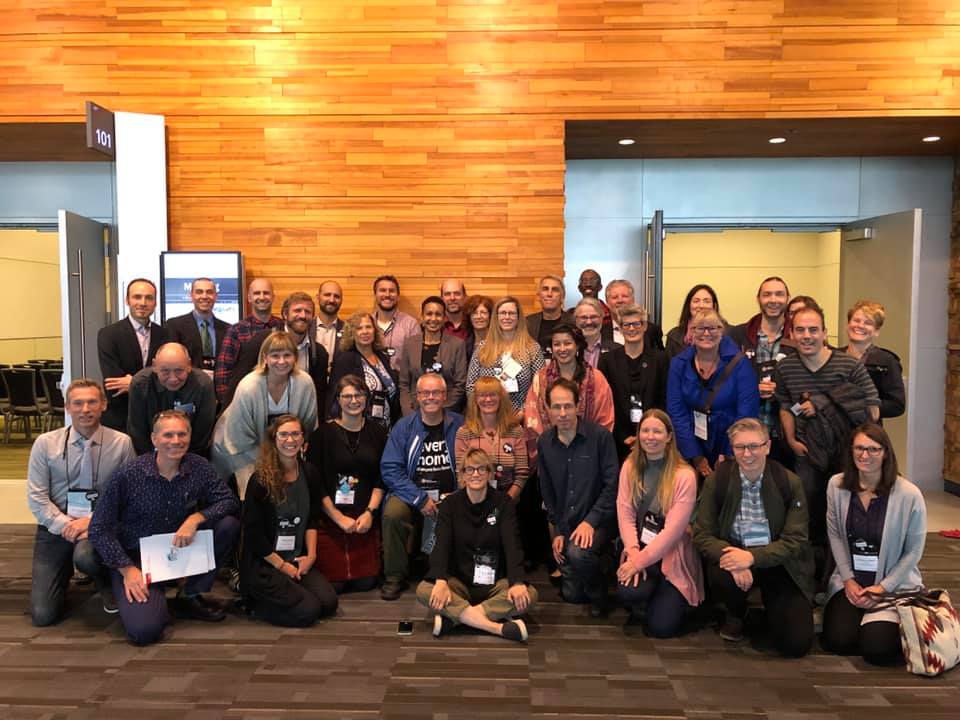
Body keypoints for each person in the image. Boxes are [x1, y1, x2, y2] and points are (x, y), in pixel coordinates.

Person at [89, 410, 240, 645]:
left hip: (178, 548)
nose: (176, 441)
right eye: (168, 435)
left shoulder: (198, 466)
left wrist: (196, 518)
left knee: (228, 525)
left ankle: (189, 593)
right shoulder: (129, 474)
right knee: (144, 631)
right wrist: (127, 569)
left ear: (190, 436)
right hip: (137, 557)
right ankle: (134, 590)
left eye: (182, 434)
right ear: (154, 439)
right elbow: (98, 528)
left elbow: (228, 501)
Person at [693, 418, 815, 656]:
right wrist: (733, 557)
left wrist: (751, 558)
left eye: (754, 446)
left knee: (795, 644)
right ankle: (735, 613)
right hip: (734, 555)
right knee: (723, 577)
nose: (747, 454)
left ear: (767, 447)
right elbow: (702, 534)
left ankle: (770, 612)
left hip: (780, 562)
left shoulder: (789, 482)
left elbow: (795, 540)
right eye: (740, 447)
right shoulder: (718, 480)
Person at [27, 379, 136, 625]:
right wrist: (67, 525)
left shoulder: (121, 443)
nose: (85, 409)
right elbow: (37, 497)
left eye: (92, 402)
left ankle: (102, 578)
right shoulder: (45, 444)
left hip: (99, 524)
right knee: (43, 616)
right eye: (77, 403)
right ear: (67, 407)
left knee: (86, 557)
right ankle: (62, 568)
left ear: (103, 405)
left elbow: (128, 495)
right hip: (55, 527)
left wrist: (91, 522)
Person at [774, 305, 880, 547]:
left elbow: (872, 411)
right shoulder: (785, 368)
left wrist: (825, 404)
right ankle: (814, 559)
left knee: (847, 509)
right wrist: (792, 441)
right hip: (808, 451)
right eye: (800, 330)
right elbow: (785, 406)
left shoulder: (849, 365)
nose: (807, 336)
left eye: (813, 330)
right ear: (791, 334)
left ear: (825, 333)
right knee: (808, 507)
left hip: (846, 451)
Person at [822, 423, 925, 666]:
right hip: (851, 582)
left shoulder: (909, 495)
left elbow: (913, 551)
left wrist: (882, 588)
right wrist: (848, 579)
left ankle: (887, 627)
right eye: (859, 448)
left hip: (892, 586)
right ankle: (866, 622)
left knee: (876, 650)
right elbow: (835, 535)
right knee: (839, 642)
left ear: (885, 452)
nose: (864, 455)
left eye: (873, 449)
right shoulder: (837, 486)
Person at [416, 448, 537, 642]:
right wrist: (440, 580)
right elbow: (441, 545)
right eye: (469, 469)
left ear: (489, 473)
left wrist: (517, 582)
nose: (475, 474)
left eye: (482, 469)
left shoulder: (504, 503)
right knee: (424, 590)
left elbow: (513, 545)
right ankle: (497, 628)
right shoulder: (449, 504)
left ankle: (459, 618)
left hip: (494, 582)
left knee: (529, 594)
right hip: (459, 582)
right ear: (462, 475)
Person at [240, 415, 338, 626]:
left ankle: (291, 591)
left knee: (329, 603)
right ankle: (253, 604)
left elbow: (312, 519)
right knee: (309, 611)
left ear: (303, 438)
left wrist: (311, 556)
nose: (290, 440)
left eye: (295, 434)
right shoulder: (260, 480)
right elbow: (253, 534)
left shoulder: (309, 472)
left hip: (297, 558)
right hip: (267, 562)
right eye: (283, 434)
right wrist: (282, 565)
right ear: (274, 439)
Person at [616, 410, 703, 637]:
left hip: (672, 552)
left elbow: (672, 532)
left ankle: (669, 599)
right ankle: (648, 599)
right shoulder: (629, 466)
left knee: (661, 628)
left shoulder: (685, 475)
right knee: (628, 592)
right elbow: (625, 512)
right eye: (645, 430)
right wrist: (633, 552)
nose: (650, 437)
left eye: (657, 431)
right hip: (640, 547)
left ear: (669, 437)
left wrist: (638, 563)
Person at [538, 378, 618, 616]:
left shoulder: (600, 437)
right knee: (572, 595)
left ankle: (600, 595)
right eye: (556, 407)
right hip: (567, 523)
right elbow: (548, 492)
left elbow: (612, 486)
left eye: (568, 406)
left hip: (601, 520)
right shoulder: (544, 443)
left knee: (577, 553)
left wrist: (590, 522)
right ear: (547, 408)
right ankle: (598, 565)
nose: (562, 413)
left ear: (578, 405)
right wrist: (558, 531)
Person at [380, 373, 464, 600]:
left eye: (436, 392)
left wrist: (457, 494)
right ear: (417, 396)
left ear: (445, 396)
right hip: (411, 494)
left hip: (450, 494)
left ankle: (444, 572)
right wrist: (419, 498)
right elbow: (390, 469)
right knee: (393, 514)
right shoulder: (404, 427)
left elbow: (472, 462)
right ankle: (394, 576)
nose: (430, 397)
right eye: (425, 393)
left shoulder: (460, 425)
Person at [211, 331, 319, 499]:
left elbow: (308, 424)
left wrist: (286, 455)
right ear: (265, 358)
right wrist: (272, 462)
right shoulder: (248, 386)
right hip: (241, 449)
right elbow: (240, 438)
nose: (281, 361)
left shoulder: (305, 383)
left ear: (295, 358)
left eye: (287, 355)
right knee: (257, 492)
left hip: (285, 448)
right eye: (275, 356)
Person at [307, 375, 387, 593]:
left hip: (364, 519)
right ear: (338, 400)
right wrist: (337, 517)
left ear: (366, 398)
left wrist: (370, 513)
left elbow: (381, 479)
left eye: (359, 395)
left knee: (366, 582)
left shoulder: (378, 433)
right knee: (335, 584)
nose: (354, 401)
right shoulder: (321, 435)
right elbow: (316, 483)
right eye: (347, 396)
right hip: (330, 518)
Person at [667, 308, 760, 479]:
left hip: (730, 442)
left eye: (712, 328)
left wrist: (729, 453)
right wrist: (695, 455)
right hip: (690, 441)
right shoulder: (678, 364)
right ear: (691, 332)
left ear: (722, 331)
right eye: (700, 328)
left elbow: (747, 413)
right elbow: (676, 411)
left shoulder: (740, 364)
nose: (706, 333)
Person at [728, 277, 797, 466]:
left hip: (787, 436)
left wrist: (780, 391)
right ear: (758, 298)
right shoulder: (737, 335)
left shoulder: (799, 336)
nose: (773, 300)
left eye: (779, 294)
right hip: (746, 435)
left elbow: (810, 382)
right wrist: (751, 390)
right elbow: (723, 381)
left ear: (788, 298)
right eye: (767, 294)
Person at [222, 292, 329, 412]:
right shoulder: (262, 341)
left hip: (297, 421)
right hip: (260, 416)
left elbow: (318, 399)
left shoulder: (319, 353)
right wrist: (224, 417)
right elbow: (238, 382)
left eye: (308, 312)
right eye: (297, 310)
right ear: (285, 314)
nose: (303, 316)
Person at [524, 323, 614, 462]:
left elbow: (604, 420)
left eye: (567, 343)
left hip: (588, 455)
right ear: (551, 348)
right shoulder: (540, 379)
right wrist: (550, 446)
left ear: (577, 346)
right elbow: (532, 419)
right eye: (557, 344)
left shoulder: (596, 378)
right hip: (550, 455)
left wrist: (588, 448)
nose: (562, 349)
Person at [599, 303, 670, 462]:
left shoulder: (660, 359)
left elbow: (664, 399)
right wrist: (623, 436)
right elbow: (607, 403)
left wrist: (645, 434)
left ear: (644, 326)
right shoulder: (607, 361)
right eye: (626, 325)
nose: (632, 329)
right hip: (618, 440)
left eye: (637, 324)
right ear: (620, 328)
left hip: (653, 438)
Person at [97, 278, 168, 431]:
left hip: (157, 416)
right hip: (121, 417)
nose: (143, 302)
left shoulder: (165, 335)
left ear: (155, 303)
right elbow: (114, 383)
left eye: (149, 298)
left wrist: (133, 383)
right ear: (127, 300)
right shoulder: (108, 334)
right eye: (137, 297)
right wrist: (153, 383)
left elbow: (168, 378)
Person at [127, 342, 217, 456]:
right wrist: (154, 461)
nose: (173, 378)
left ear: (189, 365)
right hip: (149, 453)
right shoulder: (140, 384)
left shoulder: (203, 385)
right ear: (154, 366)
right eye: (165, 371)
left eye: (179, 371)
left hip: (191, 453)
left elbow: (202, 433)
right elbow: (138, 432)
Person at [466, 296, 545, 416]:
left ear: (518, 317)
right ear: (496, 317)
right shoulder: (482, 348)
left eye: (511, 313)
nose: (507, 317)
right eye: (503, 313)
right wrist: (482, 412)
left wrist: (523, 413)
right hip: (486, 416)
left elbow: (539, 386)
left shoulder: (532, 349)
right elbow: (471, 387)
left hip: (522, 417)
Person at [455, 376, 528, 501]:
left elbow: (521, 474)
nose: (488, 399)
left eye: (493, 394)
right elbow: (461, 474)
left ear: (501, 398)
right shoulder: (464, 433)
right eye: (482, 395)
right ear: (475, 400)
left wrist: (505, 503)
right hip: (474, 502)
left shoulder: (516, 431)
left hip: (508, 502)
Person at [397, 295, 468, 415]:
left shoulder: (457, 345)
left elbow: (460, 385)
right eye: (429, 314)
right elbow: (404, 383)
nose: (433, 318)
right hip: (414, 411)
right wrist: (408, 411)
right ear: (422, 316)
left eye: (438, 314)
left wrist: (438, 410)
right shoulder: (410, 344)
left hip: (446, 411)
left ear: (444, 318)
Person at [327, 310, 399, 427]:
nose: (365, 332)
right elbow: (334, 397)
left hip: (387, 426)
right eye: (359, 328)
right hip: (358, 427)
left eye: (368, 327)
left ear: (374, 330)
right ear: (352, 333)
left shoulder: (382, 357)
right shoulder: (345, 360)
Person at [214, 278, 282, 402]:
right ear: (249, 298)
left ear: (273, 297)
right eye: (257, 293)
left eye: (266, 293)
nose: (262, 297)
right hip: (246, 399)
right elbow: (223, 372)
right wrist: (228, 404)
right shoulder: (236, 330)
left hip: (279, 398)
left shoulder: (282, 327)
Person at [839, 300, 906, 422]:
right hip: (832, 429)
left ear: (876, 331)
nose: (860, 326)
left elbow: (897, 405)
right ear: (848, 325)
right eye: (856, 320)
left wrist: (866, 408)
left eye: (868, 323)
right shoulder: (834, 356)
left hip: (866, 428)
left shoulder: (887, 361)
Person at [163, 277, 230, 374]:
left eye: (209, 292)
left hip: (219, 381)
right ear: (191, 296)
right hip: (189, 382)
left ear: (216, 296)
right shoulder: (174, 325)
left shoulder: (228, 329)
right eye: (199, 292)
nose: (204, 296)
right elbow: (172, 361)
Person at [604, 278, 664, 350]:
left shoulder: (652, 330)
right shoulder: (600, 332)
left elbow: (660, 355)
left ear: (633, 299)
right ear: (607, 302)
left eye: (625, 296)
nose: (620, 300)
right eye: (615, 297)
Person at [665, 284, 722, 358]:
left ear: (714, 305)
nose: (701, 305)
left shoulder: (728, 333)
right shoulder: (674, 335)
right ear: (689, 305)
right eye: (696, 301)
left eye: (706, 301)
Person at [372, 274, 420, 360]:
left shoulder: (411, 325)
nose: (387, 294)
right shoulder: (367, 324)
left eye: (392, 291)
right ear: (375, 295)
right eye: (382, 290)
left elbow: (415, 360)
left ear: (398, 296)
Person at [525, 274, 573, 357]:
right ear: (539, 296)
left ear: (562, 297)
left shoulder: (573, 322)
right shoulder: (527, 323)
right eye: (545, 289)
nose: (549, 294)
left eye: (555, 290)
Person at [574, 297, 616, 368]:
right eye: (583, 317)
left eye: (593, 317)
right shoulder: (568, 350)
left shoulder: (616, 350)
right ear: (576, 320)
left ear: (602, 318)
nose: (589, 322)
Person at [314, 280, 344, 371]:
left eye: (336, 296)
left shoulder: (349, 330)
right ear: (318, 298)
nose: (332, 300)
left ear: (341, 300)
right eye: (327, 295)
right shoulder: (306, 329)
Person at [463, 294, 493, 360]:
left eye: (483, 312)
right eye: (474, 313)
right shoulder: (464, 344)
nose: (479, 316)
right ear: (469, 317)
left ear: (490, 316)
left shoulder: (499, 342)